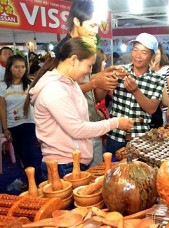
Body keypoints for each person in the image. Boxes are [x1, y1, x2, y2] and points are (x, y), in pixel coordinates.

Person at [27, 37, 134, 178]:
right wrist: (115, 123)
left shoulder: (69, 83)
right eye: (89, 66)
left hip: (72, 162)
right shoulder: (54, 89)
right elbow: (77, 129)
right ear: (73, 60)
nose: (90, 71)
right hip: (63, 165)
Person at [52, 0, 127, 167]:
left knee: (96, 178)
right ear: (77, 22)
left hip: (90, 124)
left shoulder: (85, 48)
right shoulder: (62, 51)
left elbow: (90, 92)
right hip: (70, 137)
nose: (96, 31)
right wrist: (94, 82)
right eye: (92, 25)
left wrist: (104, 79)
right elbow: (59, 91)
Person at [106, 33, 165, 154]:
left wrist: (135, 91)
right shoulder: (120, 71)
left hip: (140, 138)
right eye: (135, 50)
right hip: (115, 135)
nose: (138, 55)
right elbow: (100, 95)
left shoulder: (158, 79)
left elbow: (151, 109)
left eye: (144, 52)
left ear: (152, 56)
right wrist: (107, 79)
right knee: (111, 170)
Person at [0, 55, 43, 183]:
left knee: (31, 154)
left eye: (23, 67)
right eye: (17, 67)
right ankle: (30, 182)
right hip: (13, 125)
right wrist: (5, 128)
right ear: (10, 68)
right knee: (22, 155)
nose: (20, 70)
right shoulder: (3, 87)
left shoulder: (30, 84)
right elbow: (2, 108)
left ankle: (39, 182)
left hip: (29, 123)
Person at [150, 43, 169, 127]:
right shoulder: (147, 70)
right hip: (150, 107)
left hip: (164, 107)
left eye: (157, 54)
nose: (155, 57)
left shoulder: (167, 69)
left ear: (161, 55)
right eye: (153, 54)